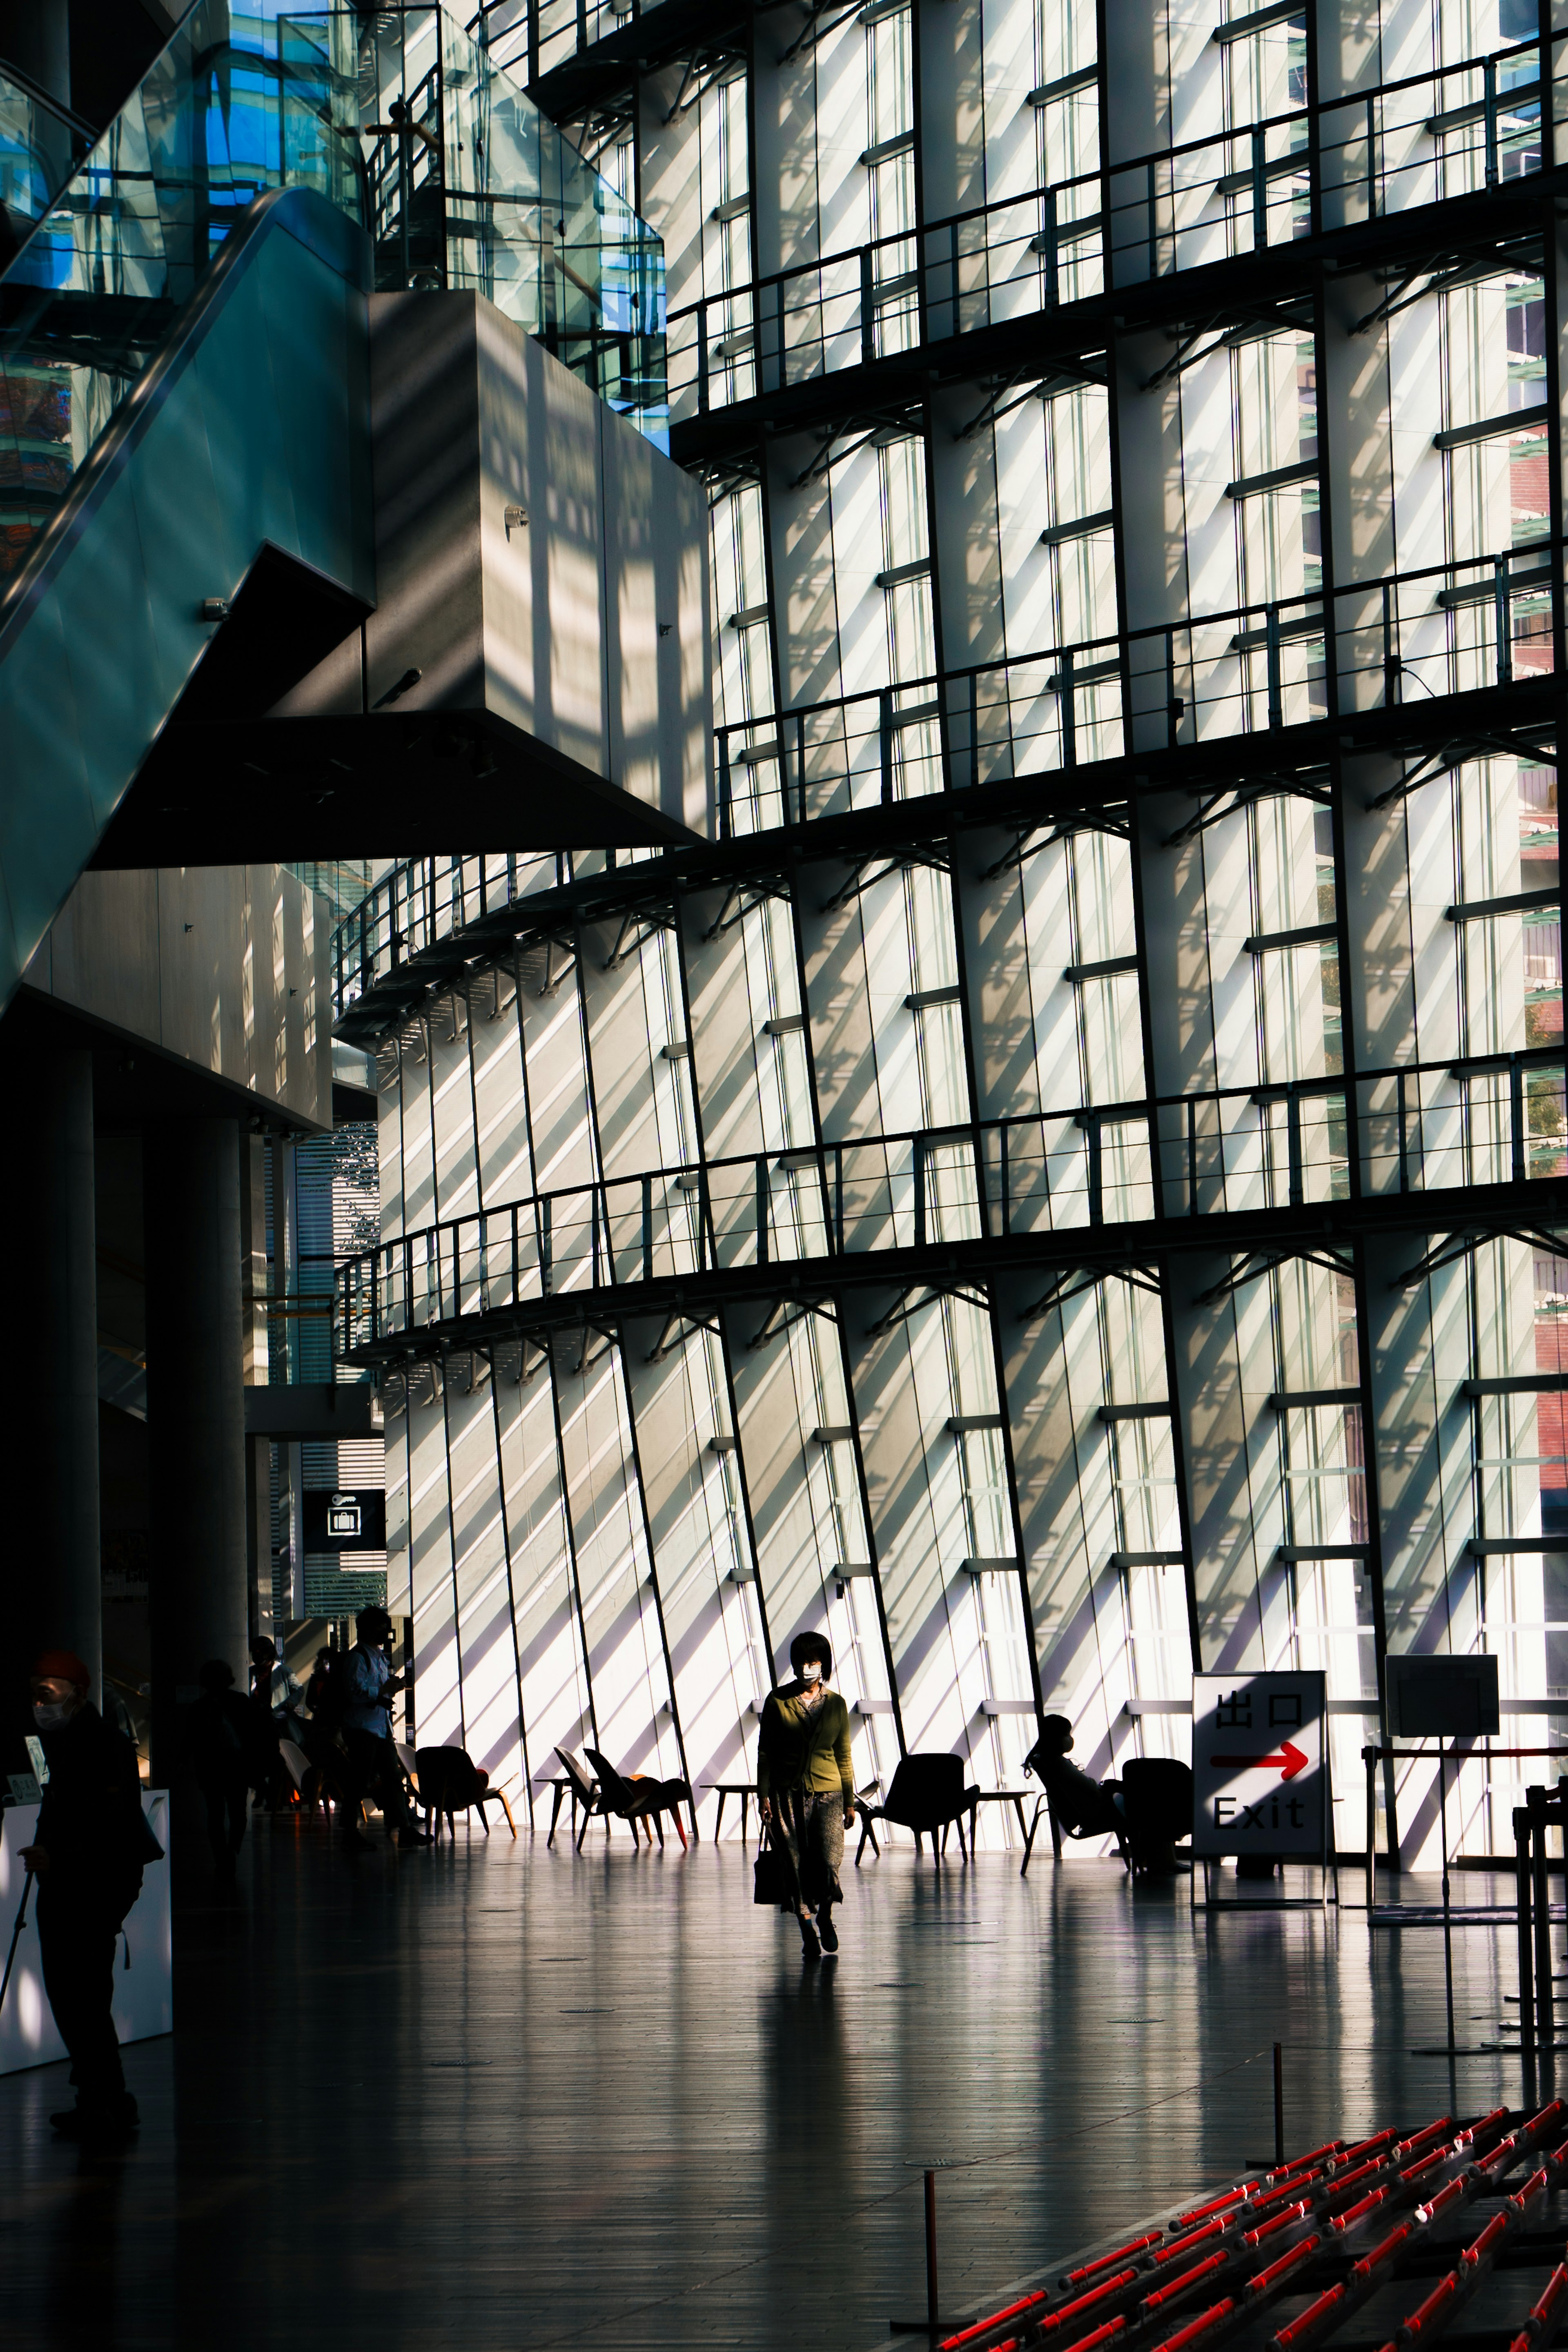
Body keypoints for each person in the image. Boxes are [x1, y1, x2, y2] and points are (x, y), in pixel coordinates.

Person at [19, 1648, 163, 2143]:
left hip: (89, 1888)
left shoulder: (101, 1745)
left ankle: (105, 2100)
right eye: (35, 1690)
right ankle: (101, 2099)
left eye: (48, 1690)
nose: (39, 1700)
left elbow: (110, 1824)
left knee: (81, 1995)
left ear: (77, 1693)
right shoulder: (72, 1740)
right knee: (79, 1996)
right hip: (79, 1885)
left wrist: (58, 1859)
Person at [756, 1632, 854, 1962]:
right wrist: (764, 1795)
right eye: (801, 1662)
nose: (806, 1668)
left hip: (829, 1796)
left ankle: (825, 1914)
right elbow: (766, 1753)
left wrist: (851, 1801)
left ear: (823, 1663)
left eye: (812, 1662)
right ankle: (807, 1930)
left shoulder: (837, 1704)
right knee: (793, 1865)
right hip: (786, 1796)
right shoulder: (777, 1701)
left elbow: (843, 1754)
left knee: (829, 1862)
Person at [339, 1607, 428, 1852]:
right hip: (363, 1730)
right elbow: (354, 1692)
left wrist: (389, 1689)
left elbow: (371, 1690)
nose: (385, 1632)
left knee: (392, 1780)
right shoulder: (358, 1658)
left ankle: (404, 1828)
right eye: (380, 1627)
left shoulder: (376, 1656)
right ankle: (350, 1831)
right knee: (360, 1781)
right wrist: (383, 1690)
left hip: (379, 1729)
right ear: (367, 1628)